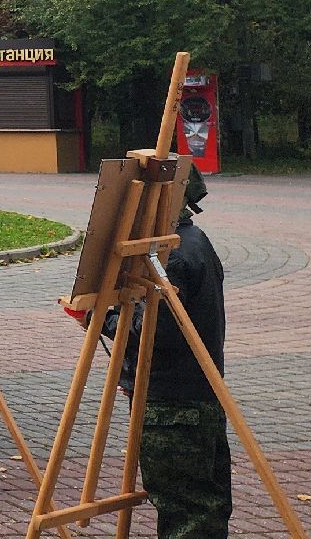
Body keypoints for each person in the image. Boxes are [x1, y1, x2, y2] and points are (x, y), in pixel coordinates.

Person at [103, 168, 230, 537]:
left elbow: (156, 334)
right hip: (199, 396)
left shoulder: (168, 256)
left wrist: (102, 320)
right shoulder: (195, 240)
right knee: (205, 505)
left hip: (172, 406)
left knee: (186, 512)